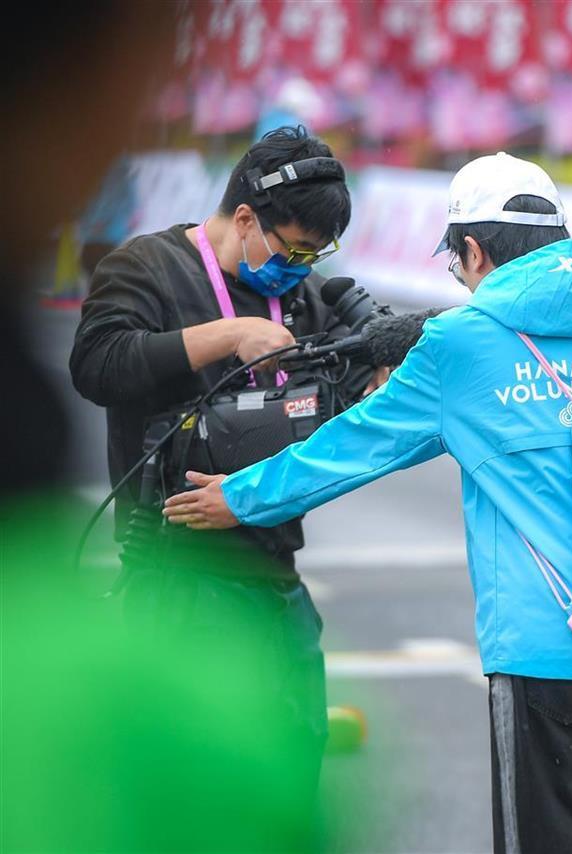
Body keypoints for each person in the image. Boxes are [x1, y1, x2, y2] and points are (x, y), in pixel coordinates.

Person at [163, 152, 572, 854]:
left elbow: (351, 447)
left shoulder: (461, 343)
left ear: (475, 250)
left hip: (545, 650)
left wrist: (238, 497)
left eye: (458, 264)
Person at [69, 126, 391, 848]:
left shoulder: (304, 297)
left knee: (286, 794)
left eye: (315, 256)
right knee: (185, 809)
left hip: (274, 575)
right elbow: (97, 366)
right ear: (245, 217)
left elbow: (323, 420)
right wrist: (228, 335)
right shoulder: (145, 267)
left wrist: (370, 384)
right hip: (175, 575)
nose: (299, 270)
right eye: (292, 250)